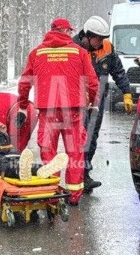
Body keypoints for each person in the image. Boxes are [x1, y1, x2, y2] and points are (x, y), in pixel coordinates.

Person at [17, 18, 99, 206]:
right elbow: (93, 83)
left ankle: (52, 193)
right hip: (74, 111)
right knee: (75, 152)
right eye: (70, 32)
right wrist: (93, 102)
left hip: (48, 110)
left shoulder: (37, 53)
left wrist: (22, 104)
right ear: (66, 31)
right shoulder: (80, 52)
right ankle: (73, 195)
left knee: (48, 151)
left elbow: (24, 83)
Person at [75, 15, 133, 192]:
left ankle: (84, 174)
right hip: (78, 101)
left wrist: (127, 92)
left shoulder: (106, 48)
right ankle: (76, 175)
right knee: (79, 139)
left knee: (91, 138)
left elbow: (118, 71)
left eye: (102, 38)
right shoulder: (74, 48)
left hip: (97, 101)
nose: (100, 42)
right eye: (97, 38)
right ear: (87, 35)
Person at [0, 121, 68, 182]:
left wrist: (2, 133)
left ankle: (40, 169)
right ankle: (19, 172)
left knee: (18, 159)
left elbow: (4, 141)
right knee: (0, 162)